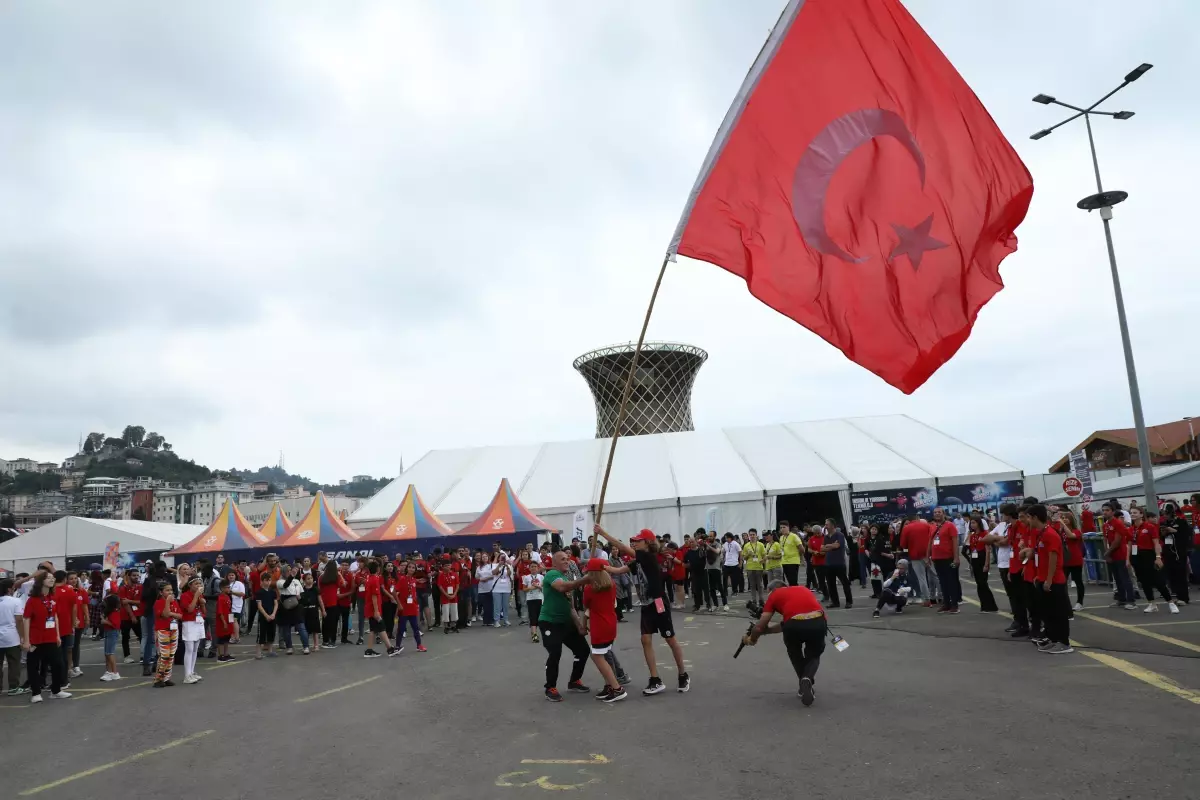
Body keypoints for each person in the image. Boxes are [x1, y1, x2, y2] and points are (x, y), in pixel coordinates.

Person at [595, 525, 690, 696]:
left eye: (638, 540)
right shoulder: (638, 561)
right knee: (645, 640)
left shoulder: (648, 556)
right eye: (634, 541)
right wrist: (601, 568)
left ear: (647, 542)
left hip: (659, 603)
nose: (634, 543)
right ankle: (655, 679)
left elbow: (622, 547)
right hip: (646, 604)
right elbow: (617, 570)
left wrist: (602, 533)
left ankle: (683, 674)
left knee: (670, 639)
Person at [741, 580, 826, 706]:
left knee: (794, 652)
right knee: (814, 654)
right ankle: (807, 679)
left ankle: (804, 684)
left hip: (793, 626)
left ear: (773, 589)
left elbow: (759, 627)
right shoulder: (803, 589)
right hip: (818, 620)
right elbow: (789, 622)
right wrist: (767, 631)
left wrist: (751, 639)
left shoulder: (775, 595)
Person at [537, 549, 592, 702]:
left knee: (583, 650)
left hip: (565, 622)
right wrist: (584, 580)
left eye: (568, 559)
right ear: (554, 563)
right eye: (562, 559)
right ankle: (550, 687)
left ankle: (574, 681)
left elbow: (571, 607)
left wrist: (580, 625)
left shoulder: (566, 578)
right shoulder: (552, 575)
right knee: (555, 653)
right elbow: (562, 587)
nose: (567, 561)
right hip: (549, 622)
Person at [581, 557, 629, 703]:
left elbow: (585, 605)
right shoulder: (612, 584)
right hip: (610, 623)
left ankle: (616, 688)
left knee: (597, 656)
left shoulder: (589, 589)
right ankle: (610, 685)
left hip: (599, 625)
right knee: (605, 652)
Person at [1028, 504, 1073, 653]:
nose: (1028, 520)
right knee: (1048, 613)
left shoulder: (1050, 534)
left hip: (1054, 581)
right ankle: (1053, 640)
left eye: (1029, 517)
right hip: (1042, 578)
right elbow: (1040, 558)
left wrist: (1048, 579)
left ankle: (1064, 643)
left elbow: (1053, 559)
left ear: (1035, 517)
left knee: (1058, 614)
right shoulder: (1040, 533)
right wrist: (1038, 576)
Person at [22, 570, 70, 702]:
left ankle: (56, 690)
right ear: (41, 581)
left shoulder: (52, 598)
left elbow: (55, 617)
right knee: (33, 666)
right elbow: (26, 619)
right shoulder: (32, 600)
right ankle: (36, 693)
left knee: (58, 664)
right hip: (36, 638)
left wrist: (58, 635)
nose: (52, 579)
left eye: (52, 578)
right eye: (48, 578)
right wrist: (26, 640)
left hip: (51, 637)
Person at [1130, 507, 1179, 614]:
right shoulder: (1131, 529)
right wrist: (1128, 560)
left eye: (1135, 513)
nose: (1132, 514)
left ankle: (1171, 602)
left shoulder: (1150, 527)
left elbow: (1156, 543)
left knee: (1158, 581)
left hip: (1149, 555)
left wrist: (1158, 557)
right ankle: (1152, 603)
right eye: (1131, 513)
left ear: (1141, 514)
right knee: (1144, 581)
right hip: (1136, 556)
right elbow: (1129, 545)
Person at [1102, 502, 1136, 610]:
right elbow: (1105, 540)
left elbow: (1117, 541)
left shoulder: (1118, 523)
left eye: (1107, 510)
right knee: (1117, 578)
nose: (1105, 512)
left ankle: (1131, 600)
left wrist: (1107, 552)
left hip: (1120, 554)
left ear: (1112, 511)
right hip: (1111, 555)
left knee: (1125, 578)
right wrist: (1107, 552)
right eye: (1103, 510)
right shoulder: (1105, 525)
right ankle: (1121, 599)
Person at [362, 560, 398, 657]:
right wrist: (377, 611)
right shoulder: (374, 580)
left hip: (371, 608)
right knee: (381, 628)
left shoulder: (370, 578)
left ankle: (369, 650)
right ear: (378, 568)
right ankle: (390, 649)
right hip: (373, 609)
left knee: (373, 630)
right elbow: (374, 596)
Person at [1158, 503, 1192, 604]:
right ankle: (1177, 595)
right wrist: (1163, 533)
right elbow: (1162, 537)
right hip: (1168, 551)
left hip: (1179, 552)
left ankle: (1184, 598)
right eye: (1163, 513)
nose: (1164, 515)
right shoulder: (1165, 523)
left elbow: (1186, 535)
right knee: (1172, 575)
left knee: (1180, 575)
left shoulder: (1181, 521)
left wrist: (1174, 531)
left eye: (1166, 513)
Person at [929, 508, 961, 613]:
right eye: (935, 512)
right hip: (937, 559)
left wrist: (956, 557)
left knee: (951, 582)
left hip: (949, 558)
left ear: (944, 514)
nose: (937, 514)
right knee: (942, 582)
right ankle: (946, 603)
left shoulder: (950, 525)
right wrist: (928, 555)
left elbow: (955, 542)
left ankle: (954, 605)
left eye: (939, 512)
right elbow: (930, 542)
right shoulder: (933, 526)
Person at [899, 514, 935, 605]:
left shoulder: (906, 528)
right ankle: (941, 597)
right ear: (918, 518)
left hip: (915, 555)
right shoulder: (926, 525)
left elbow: (903, 544)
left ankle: (927, 600)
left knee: (921, 578)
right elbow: (932, 538)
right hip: (929, 554)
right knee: (936, 575)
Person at [965, 517, 998, 612]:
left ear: (979, 524)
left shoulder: (985, 534)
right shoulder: (972, 535)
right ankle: (984, 605)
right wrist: (971, 564)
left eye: (974, 523)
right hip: (975, 559)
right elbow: (971, 550)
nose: (972, 525)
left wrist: (986, 564)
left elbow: (987, 550)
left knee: (983, 583)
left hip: (982, 558)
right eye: (971, 523)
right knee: (979, 584)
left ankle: (991, 606)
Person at [152, 582, 182, 687]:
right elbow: (165, 615)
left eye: (171, 590)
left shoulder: (174, 602)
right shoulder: (159, 602)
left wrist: (172, 614)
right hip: (162, 630)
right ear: (161, 592)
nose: (170, 592)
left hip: (173, 630)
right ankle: (158, 679)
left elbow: (180, 615)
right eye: (167, 590)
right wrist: (167, 603)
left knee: (171, 654)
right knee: (164, 655)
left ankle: (166, 677)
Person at [1057, 510, 1086, 611]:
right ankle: (1064, 602)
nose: (1064, 520)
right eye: (1063, 518)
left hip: (1075, 559)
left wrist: (1062, 525)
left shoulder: (1076, 531)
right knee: (1062, 582)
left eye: (1066, 518)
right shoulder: (1061, 531)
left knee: (1078, 580)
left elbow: (1071, 536)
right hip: (1064, 560)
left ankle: (1080, 602)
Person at [820, 520, 853, 608]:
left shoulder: (839, 535)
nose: (825, 526)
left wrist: (828, 546)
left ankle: (849, 601)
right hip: (828, 564)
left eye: (827, 524)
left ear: (832, 526)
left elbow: (837, 546)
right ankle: (835, 602)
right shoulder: (826, 536)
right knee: (831, 585)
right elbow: (822, 549)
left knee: (844, 583)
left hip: (839, 563)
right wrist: (831, 545)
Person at [0, 579, 25, 696]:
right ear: (9, 589)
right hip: (11, 637)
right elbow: (19, 620)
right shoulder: (16, 601)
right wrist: (22, 637)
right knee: (14, 663)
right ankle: (13, 687)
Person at [179, 576, 205, 684]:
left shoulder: (200, 595)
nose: (198, 586)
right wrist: (196, 597)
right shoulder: (185, 596)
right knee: (189, 649)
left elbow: (204, 611)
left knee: (195, 649)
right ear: (190, 585)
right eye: (196, 584)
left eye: (200, 584)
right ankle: (187, 675)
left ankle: (192, 671)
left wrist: (202, 602)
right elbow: (189, 609)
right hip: (189, 623)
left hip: (198, 622)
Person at [395, 561, 425, 652]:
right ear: (407, 568)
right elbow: (394, 592)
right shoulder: (402, 579)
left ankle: (419, 645)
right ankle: (397, 646)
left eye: (413, 568)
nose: (411, 569)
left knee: (416, 628)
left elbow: (413, 591)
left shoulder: (413, 579)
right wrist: (399, 604)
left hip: (412, 608)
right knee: (401, 628)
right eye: (410, 567)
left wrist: (416, 604)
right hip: (404, 608)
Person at [117, 570, 143, 665]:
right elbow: (124, 603)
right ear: (128, 576)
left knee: (141, 635)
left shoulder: (140, 587)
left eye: (137, 575)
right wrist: (132, 616)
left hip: (138, 614)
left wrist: (130, 601)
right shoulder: (123, 588)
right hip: (125, 616)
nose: (136, 577)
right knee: (125, 637)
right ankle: (127, 656)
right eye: (134, 575)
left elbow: (141, 602)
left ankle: (143, 654)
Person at [255, 573, 279, 659]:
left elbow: (276, 604)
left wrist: (273, 614)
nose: (268, 582)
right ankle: (258, 653)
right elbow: (259, 606)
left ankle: (270, 651)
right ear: (262, 581)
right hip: (263, 616)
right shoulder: (259, 592)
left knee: (271, 633)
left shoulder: (273, 592)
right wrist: (266, 615)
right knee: (261, 634)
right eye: (266, 580)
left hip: (272, 615)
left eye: (269, 580)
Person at [318, 561, 341, 649]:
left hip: (324, 602)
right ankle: (332, 640)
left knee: (325, 622)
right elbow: (342, 584)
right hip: (333, 602)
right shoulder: (337, 576)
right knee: (333, 623)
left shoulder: (321, 577)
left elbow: (319, 589)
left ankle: (325, 640)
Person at [437, 556, 460, 634]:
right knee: (446, 611)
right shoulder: (441, 575)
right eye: (446, 566)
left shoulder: (454, 574)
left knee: (454, 610)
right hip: (445, 597)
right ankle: (446, 626)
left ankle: (454, 626)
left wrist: (455, 594)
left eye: (449, 565)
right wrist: (446, 594)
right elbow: (440, 586)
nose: (448, 567)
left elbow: (457, 585)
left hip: (454, 596)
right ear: (443, 567)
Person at [522, 562, 544, 644]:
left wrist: (538, 586)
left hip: (540, 598)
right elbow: (524, 589)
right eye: (532, 567)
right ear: (529, 568)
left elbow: (544, 588)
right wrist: (530, 587)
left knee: (541, 617)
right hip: (530, 599)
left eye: (535, 566)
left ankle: (544, 633)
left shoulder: (541, 577)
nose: (534, 568)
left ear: (538, 568)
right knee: (533, 616)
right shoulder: (526, 578)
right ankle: (534, 634)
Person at [214, 579, 235, 662]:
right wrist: (224, 622)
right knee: (221, 639)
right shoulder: (220, 598)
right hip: (222, 622)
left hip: (228, 620)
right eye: (227, 587)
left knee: (227, 638)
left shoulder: (227, 597)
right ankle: (220, 655)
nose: (229, 589)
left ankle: (226, 654)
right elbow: (220, 612)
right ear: (222, 588)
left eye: (229, 587)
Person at [299, 572, 321, 652]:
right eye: (308, 579)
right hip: (305, 611)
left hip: (314, 610)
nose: (310, 580)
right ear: (304, 580)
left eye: (311, 578)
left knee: (315, 629)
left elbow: (320, 600)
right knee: (305, 629)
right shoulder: (302, 589)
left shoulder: (315, 589)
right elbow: (300, 601)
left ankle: (316, 645)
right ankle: (306, 645)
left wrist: (323, 610)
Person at [705, 535, 727, 611]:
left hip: (716, 568)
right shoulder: (706, 545)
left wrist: (707, 545)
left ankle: (725, 604)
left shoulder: (717, 544)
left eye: (711, 536)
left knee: (720, 587)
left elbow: (717, 552)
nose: (709, 537)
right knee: (712, 588)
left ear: (714, 537)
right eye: (709, 536)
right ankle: (715, 604)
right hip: (709, 568)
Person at [721, 533, 743, 599]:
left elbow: (740, 553)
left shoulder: (735, 544)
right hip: (726, 564)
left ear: (731, 538)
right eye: (725, 538)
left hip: (734, 563)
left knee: (734, 579)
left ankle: (734, 591)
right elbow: (723, 552)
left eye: (727, 538)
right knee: (724, 578)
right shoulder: (725, 544)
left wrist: (740, 563)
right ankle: (725, 591)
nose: (726, 539)